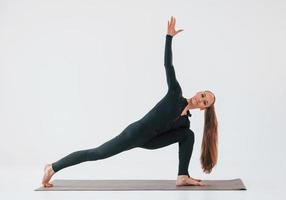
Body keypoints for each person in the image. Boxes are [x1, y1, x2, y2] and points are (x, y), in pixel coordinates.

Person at [42, 16, 218, 187]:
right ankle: (52, 167)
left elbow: (172, 136)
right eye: (203, 95)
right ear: (198, 92)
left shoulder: (185, 123)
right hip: (135, 134)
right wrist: (169, 38)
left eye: (204, 102)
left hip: (150, 141)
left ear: (203, 109)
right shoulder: (175, 93)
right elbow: (168, 65)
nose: (200, 99)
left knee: (188, 135)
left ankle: (182, 176)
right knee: (97, 153)